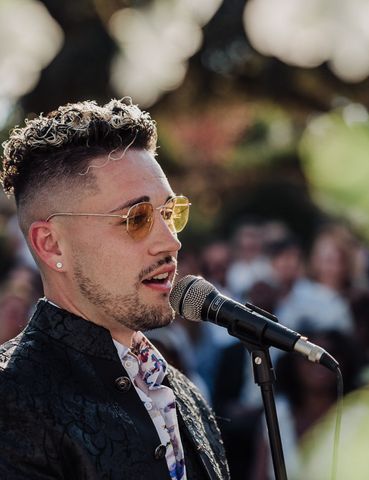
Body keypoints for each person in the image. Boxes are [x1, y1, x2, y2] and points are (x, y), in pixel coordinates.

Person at [0, 98, 229, 479]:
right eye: (137, 217)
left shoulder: (186, 395)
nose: (170, 242)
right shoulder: (10, 399)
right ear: (51, 244)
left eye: (170, 213)